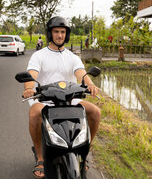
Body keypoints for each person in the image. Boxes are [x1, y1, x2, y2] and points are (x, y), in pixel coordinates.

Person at [22, 16, 101, 179]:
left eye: (63, 32)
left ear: (67, 34)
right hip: (45, 99)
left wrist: (90, 84)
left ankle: (84, 153)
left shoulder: (72, 57)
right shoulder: (39, 56)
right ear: (50, 34)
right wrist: (29, 88)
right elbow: (31, 75)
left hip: (70, 99)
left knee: (95, 112)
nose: (60, 35)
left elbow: (81, 73)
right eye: (56, 32)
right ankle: (40, 157)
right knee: (34, 114)